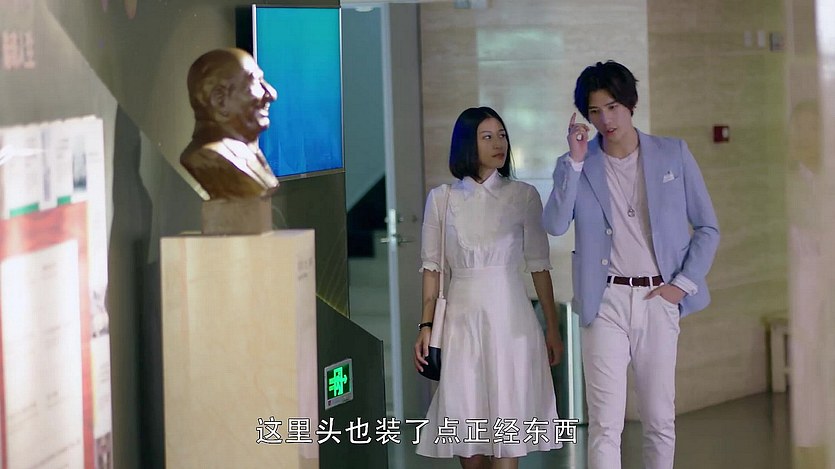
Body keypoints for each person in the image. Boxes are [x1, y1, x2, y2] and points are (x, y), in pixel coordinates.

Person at [542, 60, 720, 469]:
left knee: (659, 419)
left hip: (658, 297)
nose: (606, 120)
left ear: (630, 104)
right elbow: (554, 224)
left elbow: (708, 227)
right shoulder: (576, 165)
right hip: (605, 301)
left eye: (613, 107)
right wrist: (574, 161)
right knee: (605, 424)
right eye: (595, 111)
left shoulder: (672, 153)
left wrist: (681, 285)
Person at [414, 106, 564, 469]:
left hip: (511, 320)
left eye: (502, 135)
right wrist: (426, 325)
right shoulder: (442, 199)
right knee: (468, 433)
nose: (499, 144)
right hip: (461, 323)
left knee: (508, 431)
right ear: (468, 144)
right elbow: (433, 269)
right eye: (487, 137)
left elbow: (539, 267)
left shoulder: (523, 195)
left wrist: (552, 327)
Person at [181, 48, 279, 200]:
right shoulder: (209, 156)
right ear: (220, 101)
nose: (271, 94)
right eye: (256, 81)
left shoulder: (247, 152)